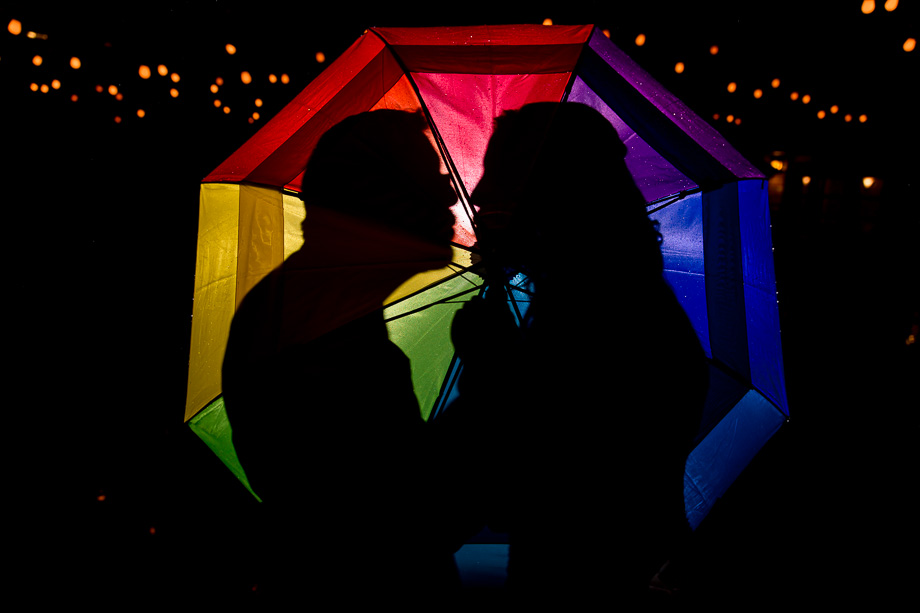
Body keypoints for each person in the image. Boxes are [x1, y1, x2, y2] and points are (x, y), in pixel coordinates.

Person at [447, 102, 708, 604]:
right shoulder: (594, 302)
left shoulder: (609, 321)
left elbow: (541, 487)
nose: (478, 195)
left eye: (499, 174)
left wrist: (492, 370)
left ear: (556, 191)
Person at [221, 110, 475, 601]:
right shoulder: (316, 335)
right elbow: (398, 525)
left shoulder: (317, 309)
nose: (448, 195)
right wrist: (493, 392)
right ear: (378, 197)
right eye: (429, 179)